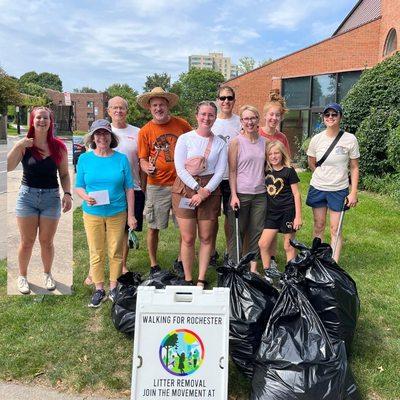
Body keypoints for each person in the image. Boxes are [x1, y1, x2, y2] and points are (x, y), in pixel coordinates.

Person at [7, 107, 72, 294]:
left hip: (51, 198)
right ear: (32, 121)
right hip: (27, 197)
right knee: (27, 241)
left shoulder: (58, 146)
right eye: (38, 117)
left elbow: (65, 174)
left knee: (46, 241)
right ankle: (22, 276)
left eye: (46, 118)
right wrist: (19, 145)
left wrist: (67, 193)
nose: (42, 120)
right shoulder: (25, 145)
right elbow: (10, 167)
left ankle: (47, 273)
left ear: (50, 122)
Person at [75, 119, 137, 307]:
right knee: (96, 250)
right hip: (92, 212)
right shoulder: (85, 159)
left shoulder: (121, 159)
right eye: (98, 134)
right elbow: (79, 186)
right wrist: (85, 197)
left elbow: (129, 188)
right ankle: (99, 288)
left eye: (105, 133)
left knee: (116, 250)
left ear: (111, 136)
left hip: (117, 211)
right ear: (93, 137)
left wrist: (131, 215)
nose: (102, 137)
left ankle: (113, 287)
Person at [137, 87, 192, 276]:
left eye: (161, 104)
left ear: (168, 106)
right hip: (157, 185)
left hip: (181, 184)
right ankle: (153, 264)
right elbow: (142, 158)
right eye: (154, 105)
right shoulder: (146, 131)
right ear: (150, 108)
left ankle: (180, 259)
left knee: (184, 224)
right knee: (153, 226)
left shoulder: (182, 125)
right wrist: (146, 167)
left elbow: (193, 143)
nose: (158, 108)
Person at [172, 101, 227, 287]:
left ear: (215, 117)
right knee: (188, 238)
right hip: (186, 189)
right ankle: (188, 277)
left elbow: (220, 171)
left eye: (211, 115)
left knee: (206, 237)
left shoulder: (220, 143)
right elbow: (180, 168)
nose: (206, 118)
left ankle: (201, 279)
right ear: (196, 116)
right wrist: (197, 189)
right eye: (203, 114)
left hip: (209, 191)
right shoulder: (185, 139)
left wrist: (205, 192)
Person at [306, 103, 359, 262]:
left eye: (334, 115)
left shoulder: (350, 139)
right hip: (318, 187)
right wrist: (322, 175)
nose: (330, 117)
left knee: (335, 229)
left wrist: (353, 192)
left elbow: (354, 167)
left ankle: (333, 264)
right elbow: (311, 162)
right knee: (319, 226)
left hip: (339, 189)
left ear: (340, 117)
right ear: (323, 118)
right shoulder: (317, 139)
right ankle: (317, 260)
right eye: (327, 115)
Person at [228, 105, 266, 272]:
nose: (249, 122)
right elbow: (232, 170)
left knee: (257, 232)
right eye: (246, 119)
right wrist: (234, 195)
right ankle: (236, 266)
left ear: (258, 120)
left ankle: (253, 268)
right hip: (241, 194)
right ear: (241, 122)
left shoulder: (265, 142)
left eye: (252, 118)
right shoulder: (236, 142)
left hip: (260, 195)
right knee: (238, 232)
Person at [258, 141, 302, 282]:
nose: (273, 156)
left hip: (288, 212)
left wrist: (298, 217)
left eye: (276, 153)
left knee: (288, 245)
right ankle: (269, 274)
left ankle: (290, 275)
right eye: (270, 154)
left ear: (282, 154)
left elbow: (296, 194)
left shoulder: (289, 171)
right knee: (263, 244)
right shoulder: (266, 172)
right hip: (272, 213)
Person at [259, 92, 291, 271]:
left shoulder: (282, 138)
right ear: (265, 115)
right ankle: (255, 256)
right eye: (271, 114)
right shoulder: (256, 132)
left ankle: (270, 257)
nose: (274, 118)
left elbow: (287, 161)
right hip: (258, 183)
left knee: (273, 222)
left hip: (276, 187)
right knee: (261, 222)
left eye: (277, 115)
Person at [210, 85, 242, 265]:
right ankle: (212, 251)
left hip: (233, 179)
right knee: (211, 218)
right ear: (217, 100)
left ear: (234, 101)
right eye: (222, 98)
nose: (226, 101)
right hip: (213, 178)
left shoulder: (240, 122)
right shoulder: (211, 121)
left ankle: (231, 253)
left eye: (229, 98)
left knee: (231, 218)